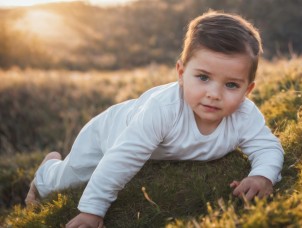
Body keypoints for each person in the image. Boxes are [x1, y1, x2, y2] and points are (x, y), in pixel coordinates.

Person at [25, 11, 284, 227]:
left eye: (230, 84)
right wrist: (92, 211)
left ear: (248, 90)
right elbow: (122, 157)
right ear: (181, 74)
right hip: (109, 133)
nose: (213, 94)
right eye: (203, 77)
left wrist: (263, 175)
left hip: (144, 136)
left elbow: (267, 146)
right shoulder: (163, 109)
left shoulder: (244, 115)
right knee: (68, 180)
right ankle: (47, 171)